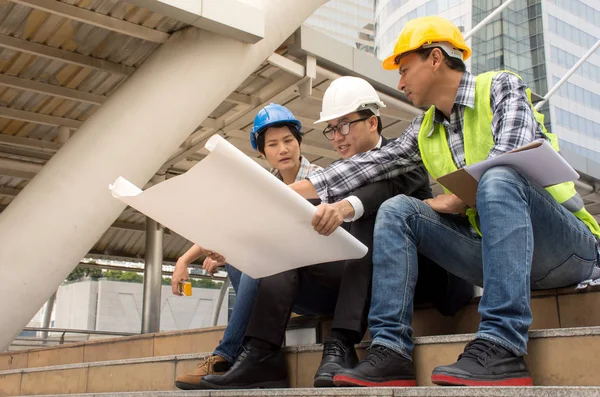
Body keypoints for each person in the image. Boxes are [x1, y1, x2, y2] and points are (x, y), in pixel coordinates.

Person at [287, 16, 600, 387]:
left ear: (435, 58)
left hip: (564, 249)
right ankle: (390, 350)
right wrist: (276, 193)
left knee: (499, 177)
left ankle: (502, 344)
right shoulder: (424, 128)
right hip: (495, 253)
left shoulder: (501, 87)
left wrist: (458, 198)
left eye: (404, 70)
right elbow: (363, 168)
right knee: (397, 209)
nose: (399, 83)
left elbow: (512, 156)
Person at [199, 77, 472, 389]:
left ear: (373, 122)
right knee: (279, 243)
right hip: (354, 283)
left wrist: (344, 207)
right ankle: (261, 354)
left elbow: (375, 192)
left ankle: (340, 343)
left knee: (376, 213)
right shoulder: (333, 175)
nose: (337, 138)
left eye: (344, 126)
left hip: (419, 277)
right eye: (331, 129)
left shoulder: (404, 158)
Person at [172, 103, 321, 390]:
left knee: (254, 254)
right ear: (262, 152)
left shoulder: (319, 178)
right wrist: (184, 259)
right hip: (283, 286)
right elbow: (232, 224)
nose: (283, 149)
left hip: (318, 282)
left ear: (299, 142)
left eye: (289, 140)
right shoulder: (267, 185)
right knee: (242, 256)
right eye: (273, 144)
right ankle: (253, 351)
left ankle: (227, 354)